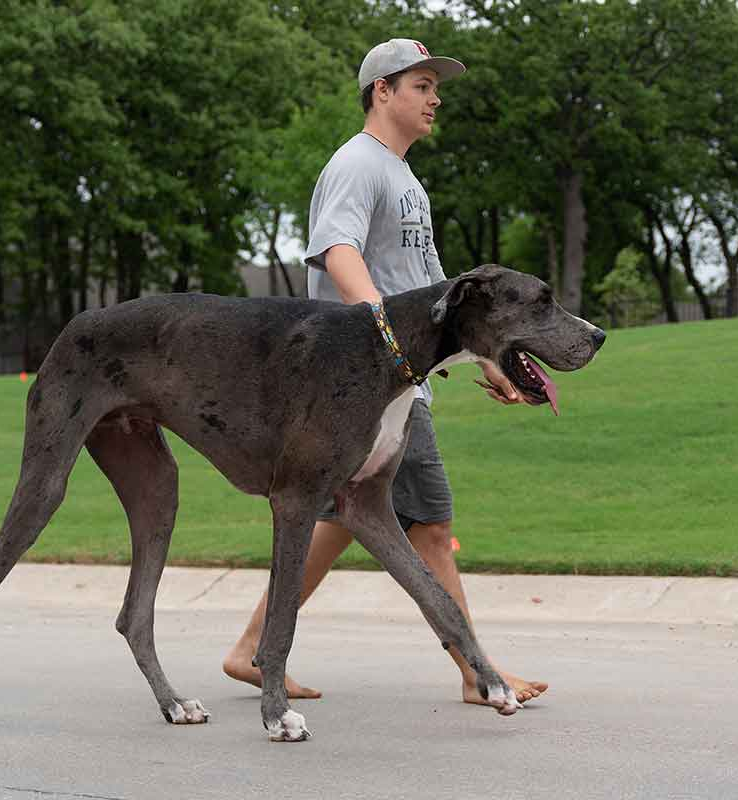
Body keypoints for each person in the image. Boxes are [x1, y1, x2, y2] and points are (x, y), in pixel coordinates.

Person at [223, 38, 548, 706]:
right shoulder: (358, 164)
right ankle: (476, 672)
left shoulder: (404, 178)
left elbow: (436, 296)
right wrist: (385, 338)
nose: (435, 99)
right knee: (429, 523)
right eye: (422, 86)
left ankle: (252, 650)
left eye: (436, 88)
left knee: (346, 515)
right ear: (383, 91)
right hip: (370, 378)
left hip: (396, 376)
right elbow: (337, 251)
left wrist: (488, 357)